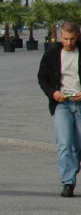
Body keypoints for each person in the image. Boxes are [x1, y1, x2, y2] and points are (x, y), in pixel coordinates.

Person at [37, 21, 81, 197]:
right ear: (60, 36)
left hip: (79, 103)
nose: (68, 43)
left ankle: (73, 166)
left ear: (77, 36)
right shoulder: (52, 54)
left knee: (78, 145)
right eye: (65, 39)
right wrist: (53, 93)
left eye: (71, 39)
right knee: (64, 143)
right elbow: (42, 78)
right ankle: (68, 181)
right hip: (61, 104)